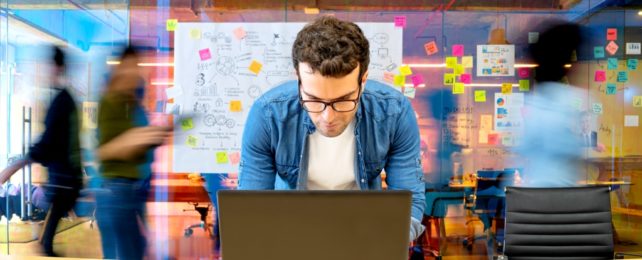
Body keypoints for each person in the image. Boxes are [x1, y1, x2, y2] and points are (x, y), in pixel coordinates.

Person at [238, 16, 426, 242]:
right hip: (290, 235)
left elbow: (409, 202)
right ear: (298, 78)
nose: (328, 117)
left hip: (365, 236)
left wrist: (390, 241)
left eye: (343, 100)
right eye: (314, 100)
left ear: (363, 80)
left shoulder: (394, 113)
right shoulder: (268, 115)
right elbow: (252, 207)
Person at [0, 46, 84, 256]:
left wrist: (18, 164)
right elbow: (52, 142)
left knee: (50, 228)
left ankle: (44, 243)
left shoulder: (62, 102)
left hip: (64, 178)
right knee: (49, 231)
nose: (44, 72)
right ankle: (44, 243)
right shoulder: (65, 100)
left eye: (48, 66)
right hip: (65, 178)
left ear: (57, 68)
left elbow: (50, 142)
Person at [96, 46, 171, 259]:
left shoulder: (132, 104)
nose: (137, 73)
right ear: (120, 68)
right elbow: (105, 151)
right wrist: (139, 138)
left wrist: (153, 136)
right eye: (133, 66)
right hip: (117, 191)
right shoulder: (110, 102)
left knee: (136, 250)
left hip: (134, 188)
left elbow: (137, 145)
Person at [514, 21, 586, 187]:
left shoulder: (536, 100)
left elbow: (525, 145)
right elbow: (568, 147)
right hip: (561, 194)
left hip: (539, 192)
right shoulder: (569, 99)